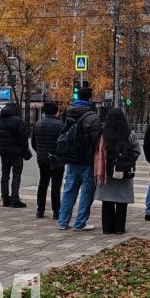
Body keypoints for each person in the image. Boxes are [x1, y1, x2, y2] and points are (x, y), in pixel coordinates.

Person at [58, 88, 102, 231]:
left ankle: (63, 222)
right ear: (90, 99)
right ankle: (80, 223)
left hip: (71, 159)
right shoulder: (93, 117)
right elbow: (96, 141)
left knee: (69, 190)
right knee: (86, 192)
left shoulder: (68, 113)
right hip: (87, 160)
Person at [94, 108, 141, 234]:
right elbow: (137, 151)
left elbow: (97, 152)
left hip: (107, 173)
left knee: (107, 202)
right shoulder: (130, 134)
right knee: (122, 202)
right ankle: (120, 228)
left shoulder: (103, 134)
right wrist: (126, 161)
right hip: (124, 172)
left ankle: (107, 228)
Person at [0, 102, 31, 208]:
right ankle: (15, 199)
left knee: (5, 175)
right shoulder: (18, 121)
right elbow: (23, 138)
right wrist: (25, 149)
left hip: (4, 151)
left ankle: (5, 199)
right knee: (16, 175)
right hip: (17, 152)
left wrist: (2, 145)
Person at [32, 102, 65, 219]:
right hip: (57, 160)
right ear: (56, 111)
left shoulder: (37, 124)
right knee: (56, 186)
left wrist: (40, 153)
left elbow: (34, 143)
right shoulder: (60, 125)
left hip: (42, 159)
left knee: (43, 183)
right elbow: (62, 144)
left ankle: (40, 210)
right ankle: (56, 211)